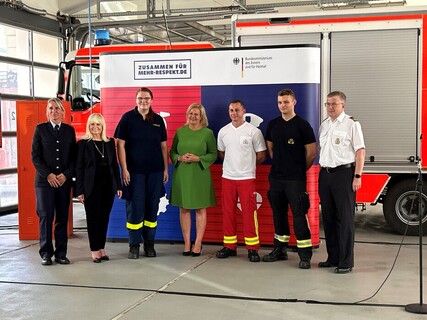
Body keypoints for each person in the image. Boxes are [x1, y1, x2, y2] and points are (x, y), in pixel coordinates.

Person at [263, 89, 316, 269]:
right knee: (278, 214)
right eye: (280, 102)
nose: (282, 105)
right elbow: (270, 149)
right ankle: (280, 250)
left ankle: (305, 255)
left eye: (286, 102)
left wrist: (298, 169)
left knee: (299, 215)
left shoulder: (303, 125)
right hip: (276, 178)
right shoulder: (273, 125)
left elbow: (311, 153)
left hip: (295, 179)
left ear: (294, 102)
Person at [114, 87, 168, 259]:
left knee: (152, 209)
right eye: (140, 98)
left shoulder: (158, 120)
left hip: (155, 172)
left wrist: (165, 169)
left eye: (146, 98)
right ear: (135, 100)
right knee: (135, 209)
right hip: (134, 173)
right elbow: (120, 145)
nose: (143, 101)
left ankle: (150, 245)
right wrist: (125, 169)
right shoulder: (127, 118)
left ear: (152, 100)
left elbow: (164, 146)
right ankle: (134, 245)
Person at [318, 90, 365, 274]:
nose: (330, 107)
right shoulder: (324, 125)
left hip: (344, 175)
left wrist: (357, 176)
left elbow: (360, 151)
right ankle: (333, 257)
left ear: (342, 105)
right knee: (328, 218)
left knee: (345, 219)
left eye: (334, 104)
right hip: (325, 175)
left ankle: (346, 262)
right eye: (327, 104)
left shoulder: (351, 124)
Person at [215, 99, 266, 262]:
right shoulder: (223, 131)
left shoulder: (253, 131)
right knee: (228, 212)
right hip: (228, 178)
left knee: (249, 214)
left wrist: (246, 165)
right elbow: (222, 153)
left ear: (244, 111)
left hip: (246, 178)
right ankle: (230, 246)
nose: (234, 113)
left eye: (237, 110)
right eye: (231, 110)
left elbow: (261, 155)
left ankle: (252, 248)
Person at [31, 98, 77, 266]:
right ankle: (46, 253)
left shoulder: (69, 131)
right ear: (47, 111)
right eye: (51, 108)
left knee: (62, 218)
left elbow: (74, 158)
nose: (54, 111)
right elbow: (35, 156)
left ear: (62, 112)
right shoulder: (40, 130)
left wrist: (65, 175)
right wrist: (48, 175)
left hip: (63, 183)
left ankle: (61, 253)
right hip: (45, 183)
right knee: (46, 217)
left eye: (57, 108)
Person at [170, 103, 217, 257]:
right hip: (182, 174)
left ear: (201, 116)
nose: (193, 116)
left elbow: (213, 154)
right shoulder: (180, 132)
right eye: (190, 113)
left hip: (200, 174)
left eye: (196, 114)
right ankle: (187, 243)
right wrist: (179, 157)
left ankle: (198, 243)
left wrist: (199, 158)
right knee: (183, 208)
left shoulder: (208, 133)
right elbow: (172, 152)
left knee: (200, 209)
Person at [75, 113, 122, 263]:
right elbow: (79, 168)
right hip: (91, 187)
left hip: (108, 186)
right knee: (93, 219)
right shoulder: (83, 144)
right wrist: (79, 190)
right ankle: (94, 250)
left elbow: (114, 166)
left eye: (98, 124)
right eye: (92, 124)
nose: (95, 127)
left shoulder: (109, 143)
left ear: (103, 126)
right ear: (89, 126)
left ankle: (101, 248)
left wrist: (118, 186)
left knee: (104, 218)